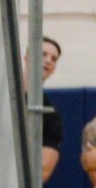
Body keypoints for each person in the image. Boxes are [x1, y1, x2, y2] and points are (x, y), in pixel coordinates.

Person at [39, 36, 63, 180]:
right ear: (27, 57)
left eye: (54, 58)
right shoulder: (1, 99)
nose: (48, 60)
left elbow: (43, 172)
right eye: (43, 54)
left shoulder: (51, 116)